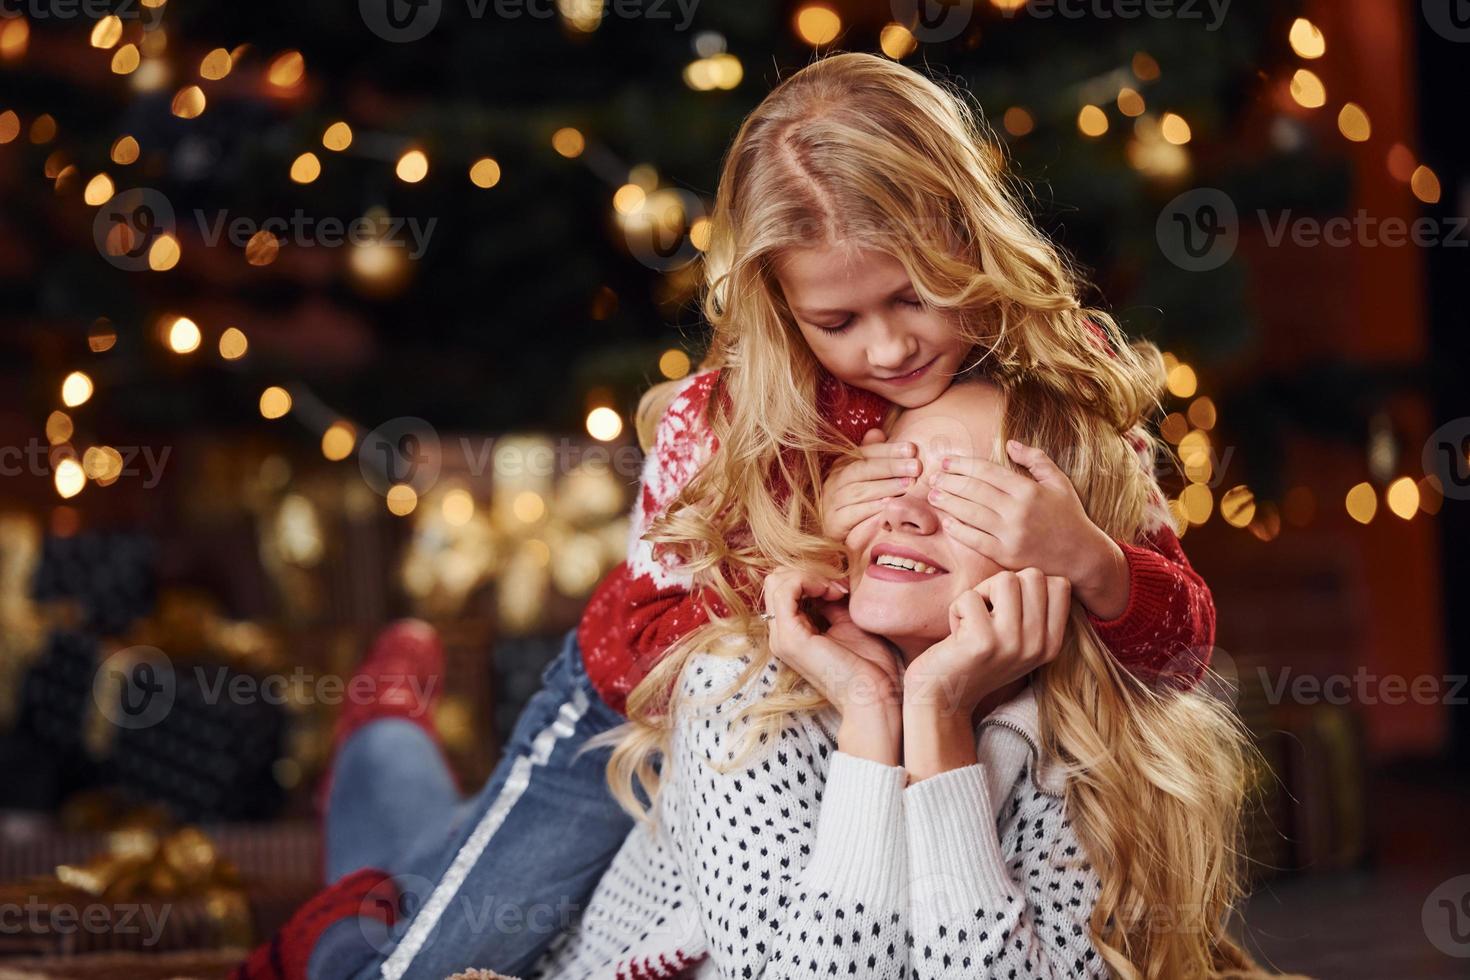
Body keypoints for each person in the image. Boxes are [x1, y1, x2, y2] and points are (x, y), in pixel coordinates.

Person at [234, 51, 1218, 979]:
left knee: (495, 910)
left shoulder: (1064, 375)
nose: (886, 347)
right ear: (779, 304)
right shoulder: (730, 415)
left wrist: (1094, 560)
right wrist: (810, 539)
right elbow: (638, 635)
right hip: (635, 716)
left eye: (913, 296)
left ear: (969, 234)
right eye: (836, 320)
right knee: (441, 947)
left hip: (835, 733)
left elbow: (1177, 655)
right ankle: (360, 844)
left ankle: (383, 749)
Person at [530, 377, 1260, 979]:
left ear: (1058, 551)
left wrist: (937, 720)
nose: (908, 512)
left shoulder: (1080, 746)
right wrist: (870, 711)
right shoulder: (741, 684)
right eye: (894, 475)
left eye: (965, 492)